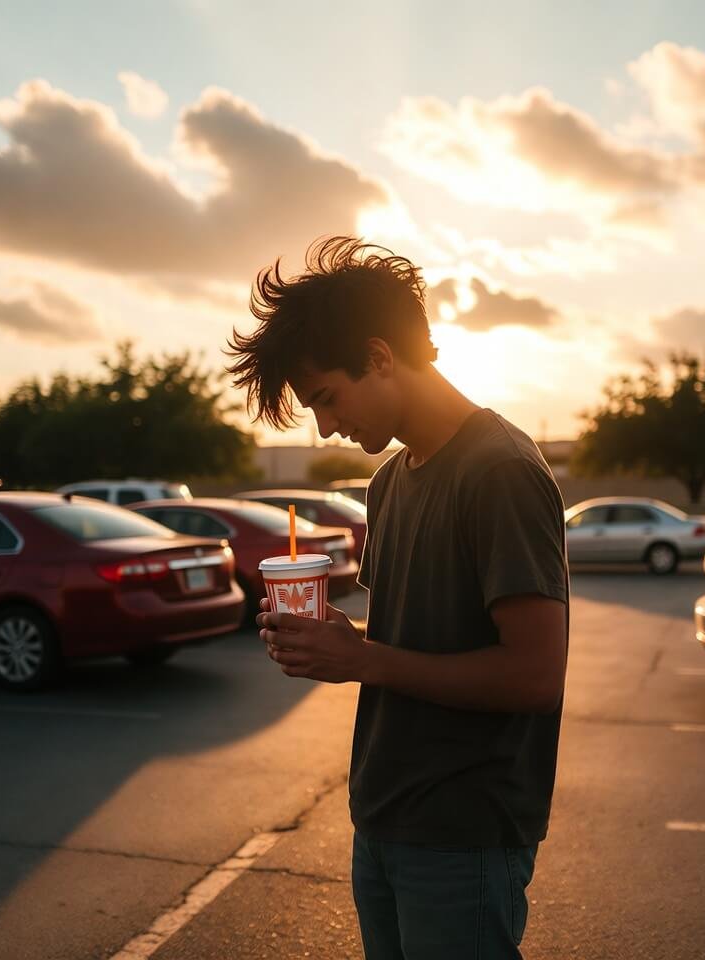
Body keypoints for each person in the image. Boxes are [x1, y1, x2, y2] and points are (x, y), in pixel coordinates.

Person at [227, 236, 570, 960]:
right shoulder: (390, 483)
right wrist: (332, 635)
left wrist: (364, 659)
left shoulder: (501, 470)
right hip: (384, 816)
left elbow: (534, 677)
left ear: (380, 357)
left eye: (327, 397)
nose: (326, 426)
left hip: (463, 828)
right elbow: (409, 640)